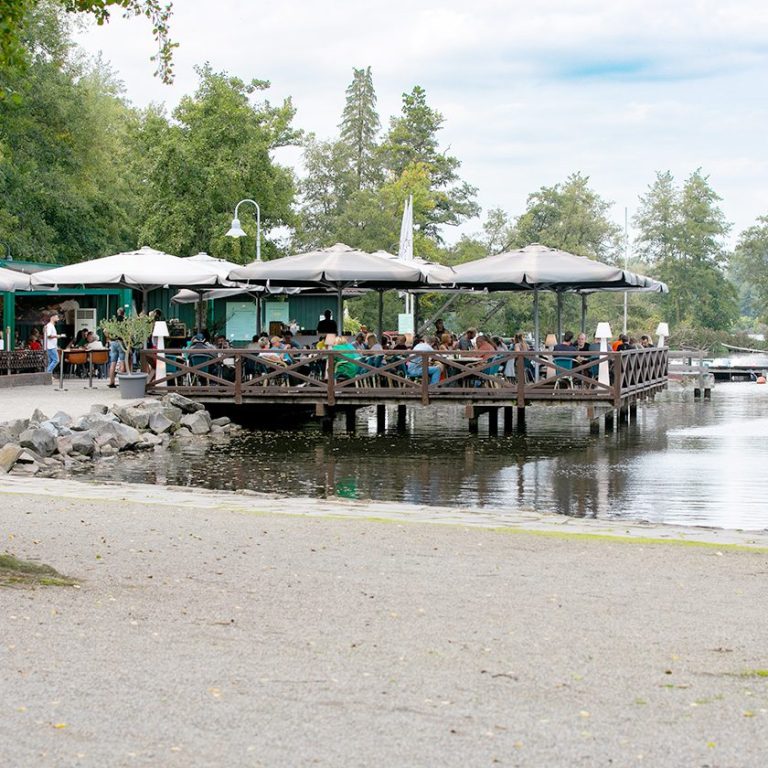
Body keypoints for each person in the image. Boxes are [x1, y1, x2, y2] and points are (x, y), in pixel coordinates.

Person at [107, 308, 126, 388]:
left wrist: (109, 338)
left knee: (113, 362)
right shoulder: (125, 321)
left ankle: (111, 382)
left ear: (117, 313)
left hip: (113, 342)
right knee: (122, 362)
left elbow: (106, 330)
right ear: (123, 313)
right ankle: (122, 383)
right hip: (121, 342)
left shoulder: (113, 321)